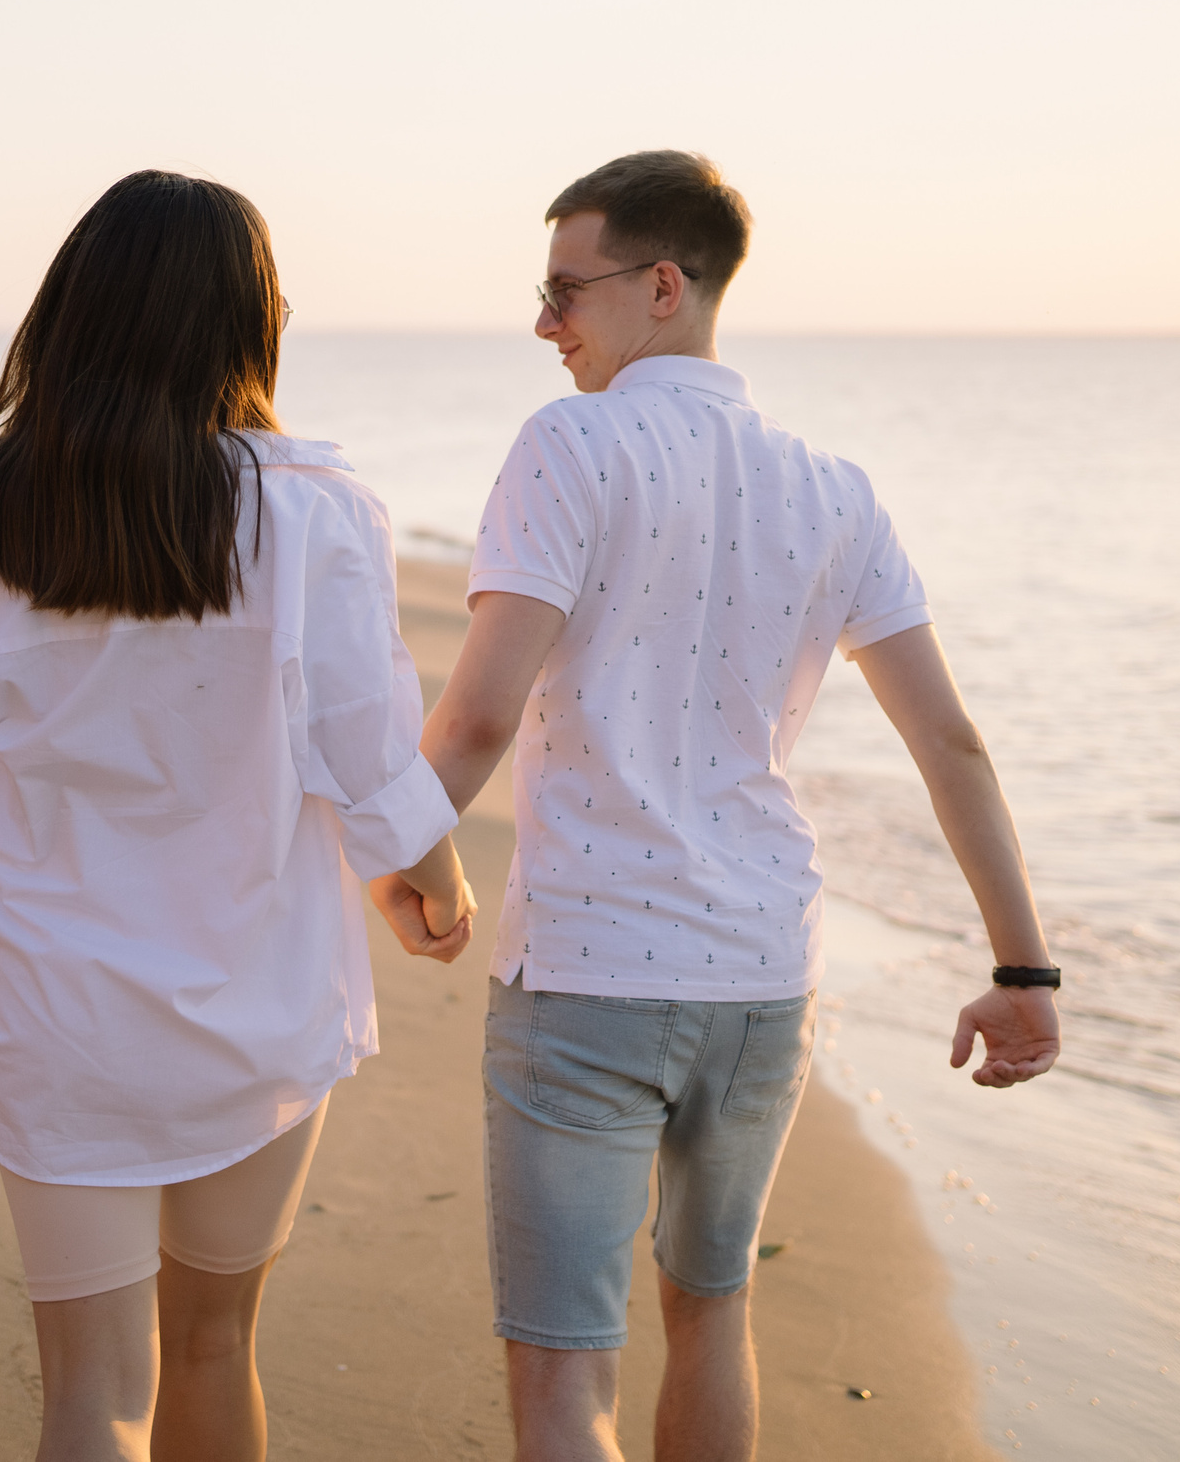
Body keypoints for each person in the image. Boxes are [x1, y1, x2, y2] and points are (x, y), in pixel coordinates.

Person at [409, 151, 1061, 1462]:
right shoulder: (835, 488)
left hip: (591, 965)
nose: (545, 325)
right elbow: (952, 742)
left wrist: (400, 859)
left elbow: (479, 716)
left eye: (564, 294)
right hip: (762, 976)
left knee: (561, 1376)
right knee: (712, 1315)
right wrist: (1024, 966)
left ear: (662, 285)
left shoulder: (572, 443)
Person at [0, 170, 476, 1462]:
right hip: (253, 1002)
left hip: (55, 1005)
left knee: (89, 1395)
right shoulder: (318, 515)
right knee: (218, 1345)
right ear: (245, 320)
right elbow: (366, 751)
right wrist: (429, 883)